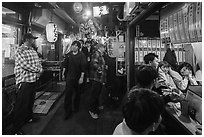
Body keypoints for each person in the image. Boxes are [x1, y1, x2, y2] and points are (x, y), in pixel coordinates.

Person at [13, 33, 43, 135]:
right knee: (21, 105)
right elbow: (24, 65)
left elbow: (38, 61)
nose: (33, 41)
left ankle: (29, 118)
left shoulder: (32, 50)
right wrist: (38, 69)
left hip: (33, 80)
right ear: (26, 39)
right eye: (32, 39)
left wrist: (40, 68)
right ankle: (16, 129)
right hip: (24, 81)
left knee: (30, 102)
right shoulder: (20, 50)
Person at [62, 40, 87, 120]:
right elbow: (65, 65)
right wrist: (63, 73)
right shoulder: (69, 55)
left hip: (78, 77)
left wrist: (82, 77)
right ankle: (67, 112)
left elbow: (84, 67)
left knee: (77, 94)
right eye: (73, 45)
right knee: (68, 95)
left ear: (79, 47)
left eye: (76, 46)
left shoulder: (82, 55)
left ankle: (76, 107)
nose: (74, 47)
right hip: (69, 77)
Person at [88, 43, 107, 119]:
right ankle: (92, 110)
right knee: (94, 95)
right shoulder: (96, 54)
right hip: (96, 78)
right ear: (100, 48)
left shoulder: (100, 54)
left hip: (99, 78)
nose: (105, 49)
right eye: (104, 48)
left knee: (97, 94)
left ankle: (95, 108)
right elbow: (93, 63)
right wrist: (100, 70)